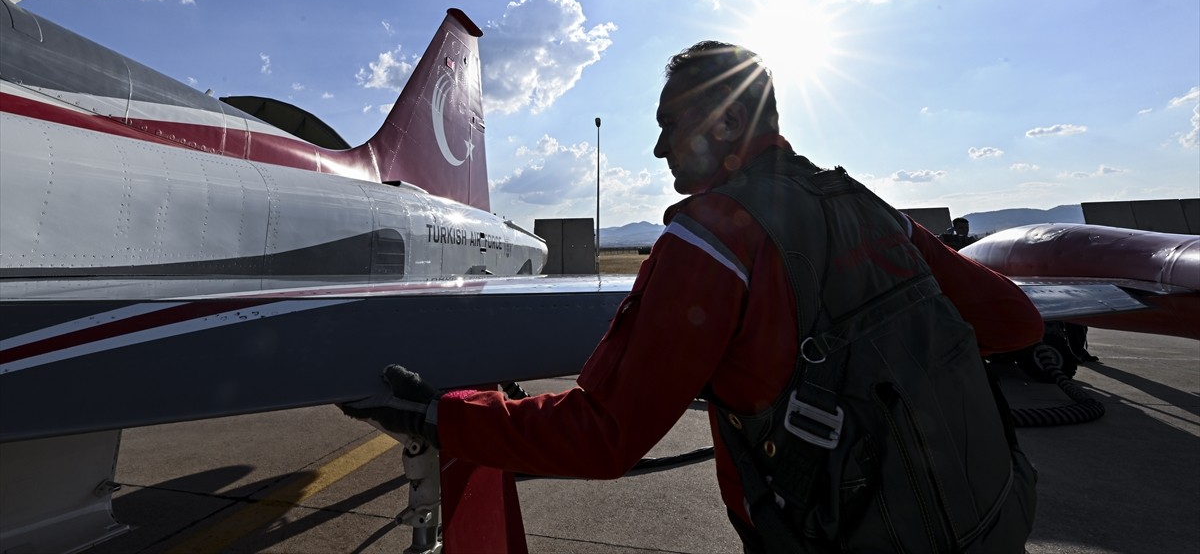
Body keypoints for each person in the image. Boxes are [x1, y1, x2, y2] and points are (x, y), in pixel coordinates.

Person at [343, 41, 1038, 552]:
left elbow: (604, 436)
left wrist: (440, 419)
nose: (656, 150)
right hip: (985, 529)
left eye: (669, 124)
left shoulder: (713, 243)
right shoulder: (871, 210)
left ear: (726, 126)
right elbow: (1015, 322)